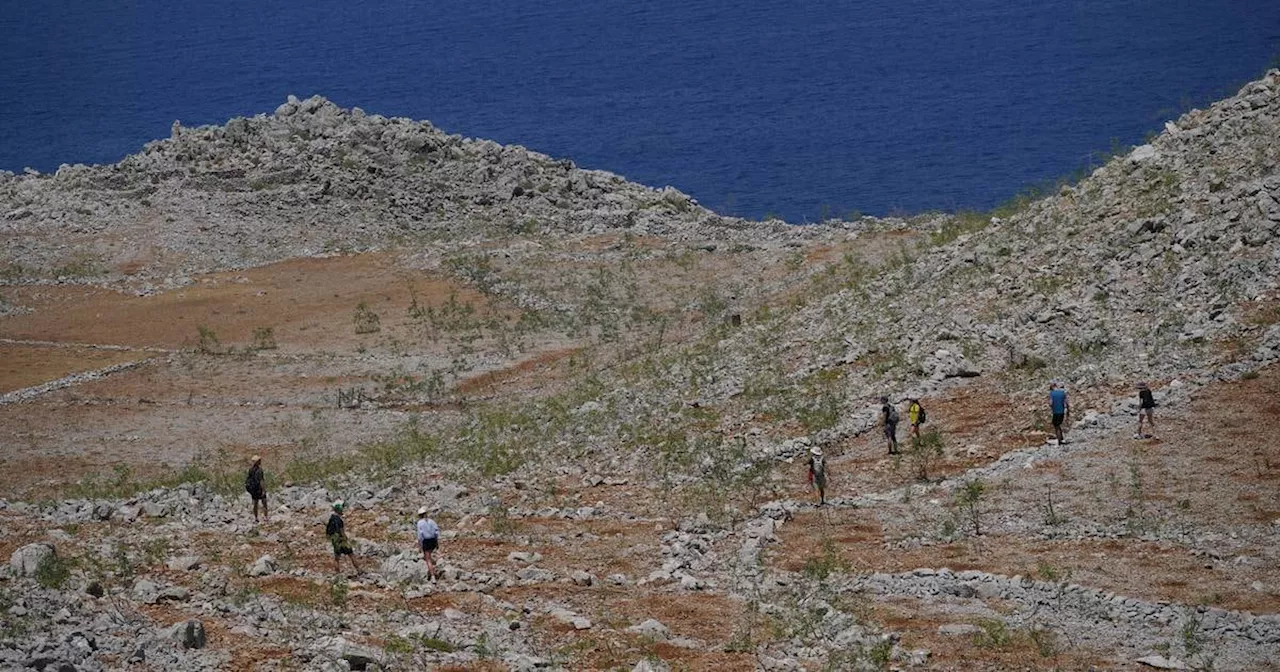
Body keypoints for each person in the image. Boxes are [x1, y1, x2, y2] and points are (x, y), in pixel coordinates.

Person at [326, 500, 360, 574]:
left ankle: (338, 574)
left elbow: (328, 532)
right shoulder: (339, 520)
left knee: (337, 558)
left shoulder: (331, 519)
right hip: (342, 540)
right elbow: (342, 531)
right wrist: (346, 539)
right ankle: (359, 571)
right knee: (351, 555)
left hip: (335, 541)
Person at [415, 507, 440, 581]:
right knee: (431, 556)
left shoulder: (420, 523)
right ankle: (433, 570)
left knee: (428, 559)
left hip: (426, 541)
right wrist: (437, 542)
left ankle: (432, 576)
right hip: (433, 540)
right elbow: (436, 532)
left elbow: (420, 535)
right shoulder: (432, 521)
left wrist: (420, 545)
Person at [245, 455, 268, 523]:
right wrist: (263, 490)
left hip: (253, 489)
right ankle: (265, 517)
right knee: (264, 503)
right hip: (259, 489)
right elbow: (261, 480)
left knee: (255, 503)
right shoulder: (260, 470)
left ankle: (256, 518)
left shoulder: (250, 470)